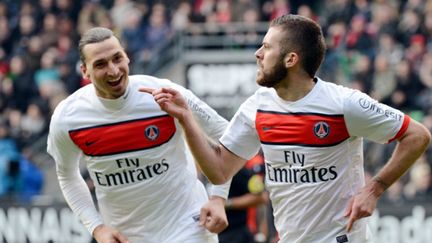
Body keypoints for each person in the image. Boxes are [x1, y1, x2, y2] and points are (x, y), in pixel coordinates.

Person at [141, 14, 431, 243]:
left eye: (266, 47)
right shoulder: (258, 106)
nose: (257, 53)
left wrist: (375, 189)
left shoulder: (344, 104)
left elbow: (417, 135)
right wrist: (186, 119)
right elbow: (218, 170)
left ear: (291, 59)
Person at [47, 27, 231, 243]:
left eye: (118, 58)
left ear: (127, 57)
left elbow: (227, 135)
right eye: (100, 64)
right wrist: (97, 228)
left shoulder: (164, 92)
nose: (114, 71)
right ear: (85, 71)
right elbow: (67, 176)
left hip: (187, 225)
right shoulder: (68, 117)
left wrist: (218, 197)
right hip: (124, 237)